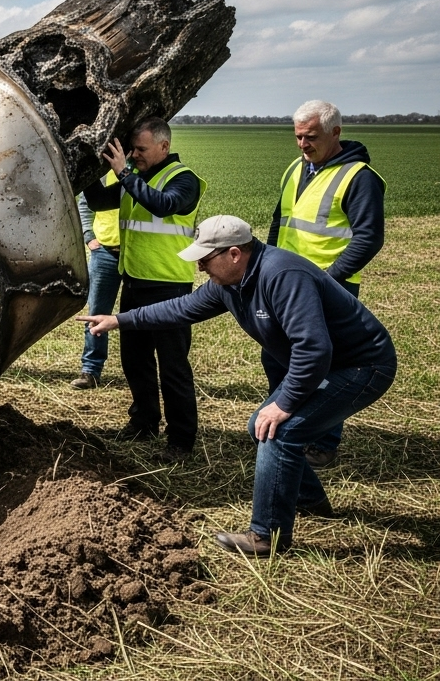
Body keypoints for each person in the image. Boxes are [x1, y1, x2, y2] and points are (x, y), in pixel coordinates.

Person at [79, 216, 395, 556]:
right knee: (259, 426)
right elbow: (182, 308)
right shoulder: (231, 282)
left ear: (233, 254)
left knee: (279, 430)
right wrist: (120, 320)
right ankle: (310, 501)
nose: (200, 267)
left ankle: (266, 536)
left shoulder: (282, 275)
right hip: (328, 365)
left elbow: (314, 348)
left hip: (362, 366)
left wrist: (284, 403)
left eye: (205, 259)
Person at [266, 100, 386, 470]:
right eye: (298, 136)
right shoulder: (295, 168)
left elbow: (368, 238)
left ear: (336, 133)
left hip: (329, 288)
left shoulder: (359, 177)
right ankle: (287, 427)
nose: (303, 144)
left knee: (327, 364)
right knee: (277, 357)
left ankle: (323, 441)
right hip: (285, 285)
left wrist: (328, 282)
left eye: (311, 137)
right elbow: (279, 221)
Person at [82, 117, 206, 462]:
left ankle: (181, 440)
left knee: (173, 367)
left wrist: (124, 173)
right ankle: (144, 423)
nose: (134, 155)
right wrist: (91, 163)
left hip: (170, 288)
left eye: (141, 149)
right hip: (135, 282)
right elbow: (96, 201)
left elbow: (163, 205)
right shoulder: (133, 178)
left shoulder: (184, 179)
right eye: (131, 149)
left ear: (164, 146)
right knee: (134, 361)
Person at [72, 171, 121, 389]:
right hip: (105, 253)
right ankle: (90, 371)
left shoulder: (143, 170)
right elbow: (85, 203)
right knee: (96, 314)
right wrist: (89, 237)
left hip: (137, 252)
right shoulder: (103, 172)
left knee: (140, 314)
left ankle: (140, 371)